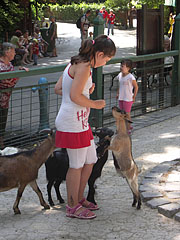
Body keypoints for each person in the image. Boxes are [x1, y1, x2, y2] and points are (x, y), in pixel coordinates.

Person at [54, 35, 116, 219]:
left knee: (90, 159)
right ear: (99, 54)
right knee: (76, 165)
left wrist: (84, 92)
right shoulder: (84, 67)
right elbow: (73, 96)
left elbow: (60, 89)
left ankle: (78, 198)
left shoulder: (76, 63)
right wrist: (94, 103)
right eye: (106, 59)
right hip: (73, 122)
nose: (105, 63)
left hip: (79, 122)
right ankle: (72, 206)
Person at [0, 42, 29, 149]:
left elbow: (11, 80)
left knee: (3, 120)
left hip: (5, 100)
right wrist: (18, 75)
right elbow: (7, 81)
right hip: (2, 99)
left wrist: (18, 73)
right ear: (7, 52)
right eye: (13, 51)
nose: (14, 53)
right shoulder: (1, 65)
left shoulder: (9, 65)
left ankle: (1, 141)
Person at [116, 59, 138, 134]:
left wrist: (134, 96)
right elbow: (120, 85)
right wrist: (118, 93)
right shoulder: (119, 75)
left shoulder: (130, 77)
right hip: (121, 97)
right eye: (121, 66)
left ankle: (128, 128)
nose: (121, 68)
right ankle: (123, 127)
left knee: (127, 113)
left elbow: (136, 87)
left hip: (128, 98)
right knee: (122, 113)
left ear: (128, 68)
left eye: (123, 66)